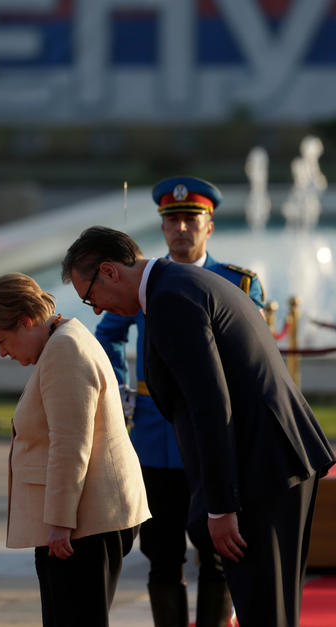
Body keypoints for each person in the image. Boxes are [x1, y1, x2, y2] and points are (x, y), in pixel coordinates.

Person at [62, 226, 336, 626]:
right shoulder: (178, 284)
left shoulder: (170, 298)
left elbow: (209, 405)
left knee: (264, 611)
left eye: (90, 297)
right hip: (276, 461)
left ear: (109, 271)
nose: (97, 309)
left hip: (261, 471)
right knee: (275, 608)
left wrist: (222, 505)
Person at [94, 176, 263, 626]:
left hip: (216, 435)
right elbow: (108, 336)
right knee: (161, 551)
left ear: (209, 225)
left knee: (219, 551)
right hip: (156, 433)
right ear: (163, 227)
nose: (181, 229)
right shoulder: (139, 282)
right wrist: (122, 388)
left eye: (191, 219)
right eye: (172, 220)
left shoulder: (236, 283)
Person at [0, 272, 150, 626]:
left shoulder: (64, 349)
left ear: (26, 321)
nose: (3, 352)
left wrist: (58, 522)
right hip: (86, 516)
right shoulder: (65, 339)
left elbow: (70, 444)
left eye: (2, 340)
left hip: (83, 522)